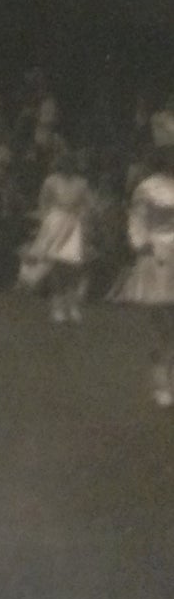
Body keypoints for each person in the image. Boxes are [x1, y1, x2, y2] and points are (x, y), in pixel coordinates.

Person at [115, 145, 174, 406]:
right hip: (159, 255)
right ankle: (162, 382)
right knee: (162, 323)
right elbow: (137, 219)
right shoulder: (148, 188)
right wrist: (141, 243)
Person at [19, 145, 92, 322]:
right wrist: (47, 221)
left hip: (73, 225)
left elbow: (86, 204)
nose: (68, 167)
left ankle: (72, 305)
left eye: (71, 164)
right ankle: (57, 306)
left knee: (72, 268)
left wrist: (82, 220)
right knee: (56, 267)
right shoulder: (51, 181)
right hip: (55, 223)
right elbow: (43, 202)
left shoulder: (81, 183)